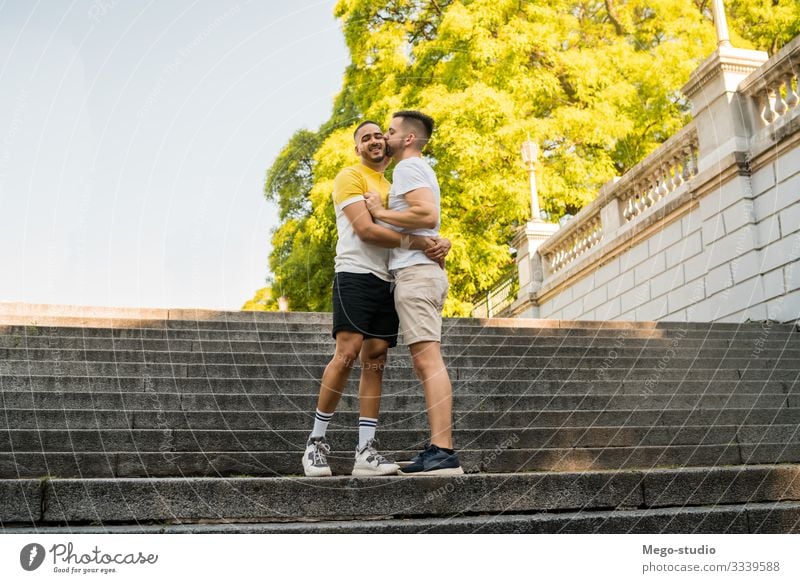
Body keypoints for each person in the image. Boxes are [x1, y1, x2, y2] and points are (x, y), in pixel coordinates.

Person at [302, 120, 450, 477]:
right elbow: (367, 231)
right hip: (355, 273)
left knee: (377, 359)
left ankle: (365, 450)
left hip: (390, 279)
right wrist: (420, 243)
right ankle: (316, 443)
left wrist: (439, 239)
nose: (373, 141)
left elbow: (418, 219)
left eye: (377, 135)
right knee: (347, 352)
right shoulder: (350, 176)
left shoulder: (394, 182)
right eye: (364, 137)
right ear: (358, 148)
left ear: (387, 143)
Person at [364, 110, 463, 475]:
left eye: (390, 131)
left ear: (407, 138)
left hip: (417, 275)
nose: (385, 137)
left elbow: (425, 214)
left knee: (427, 359)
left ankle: (443, 450)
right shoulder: (414, 168)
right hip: (420, 273)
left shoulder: (407, 168)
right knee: (425, 360)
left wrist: (380, 211)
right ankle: (439, 447)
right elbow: (429, 219)